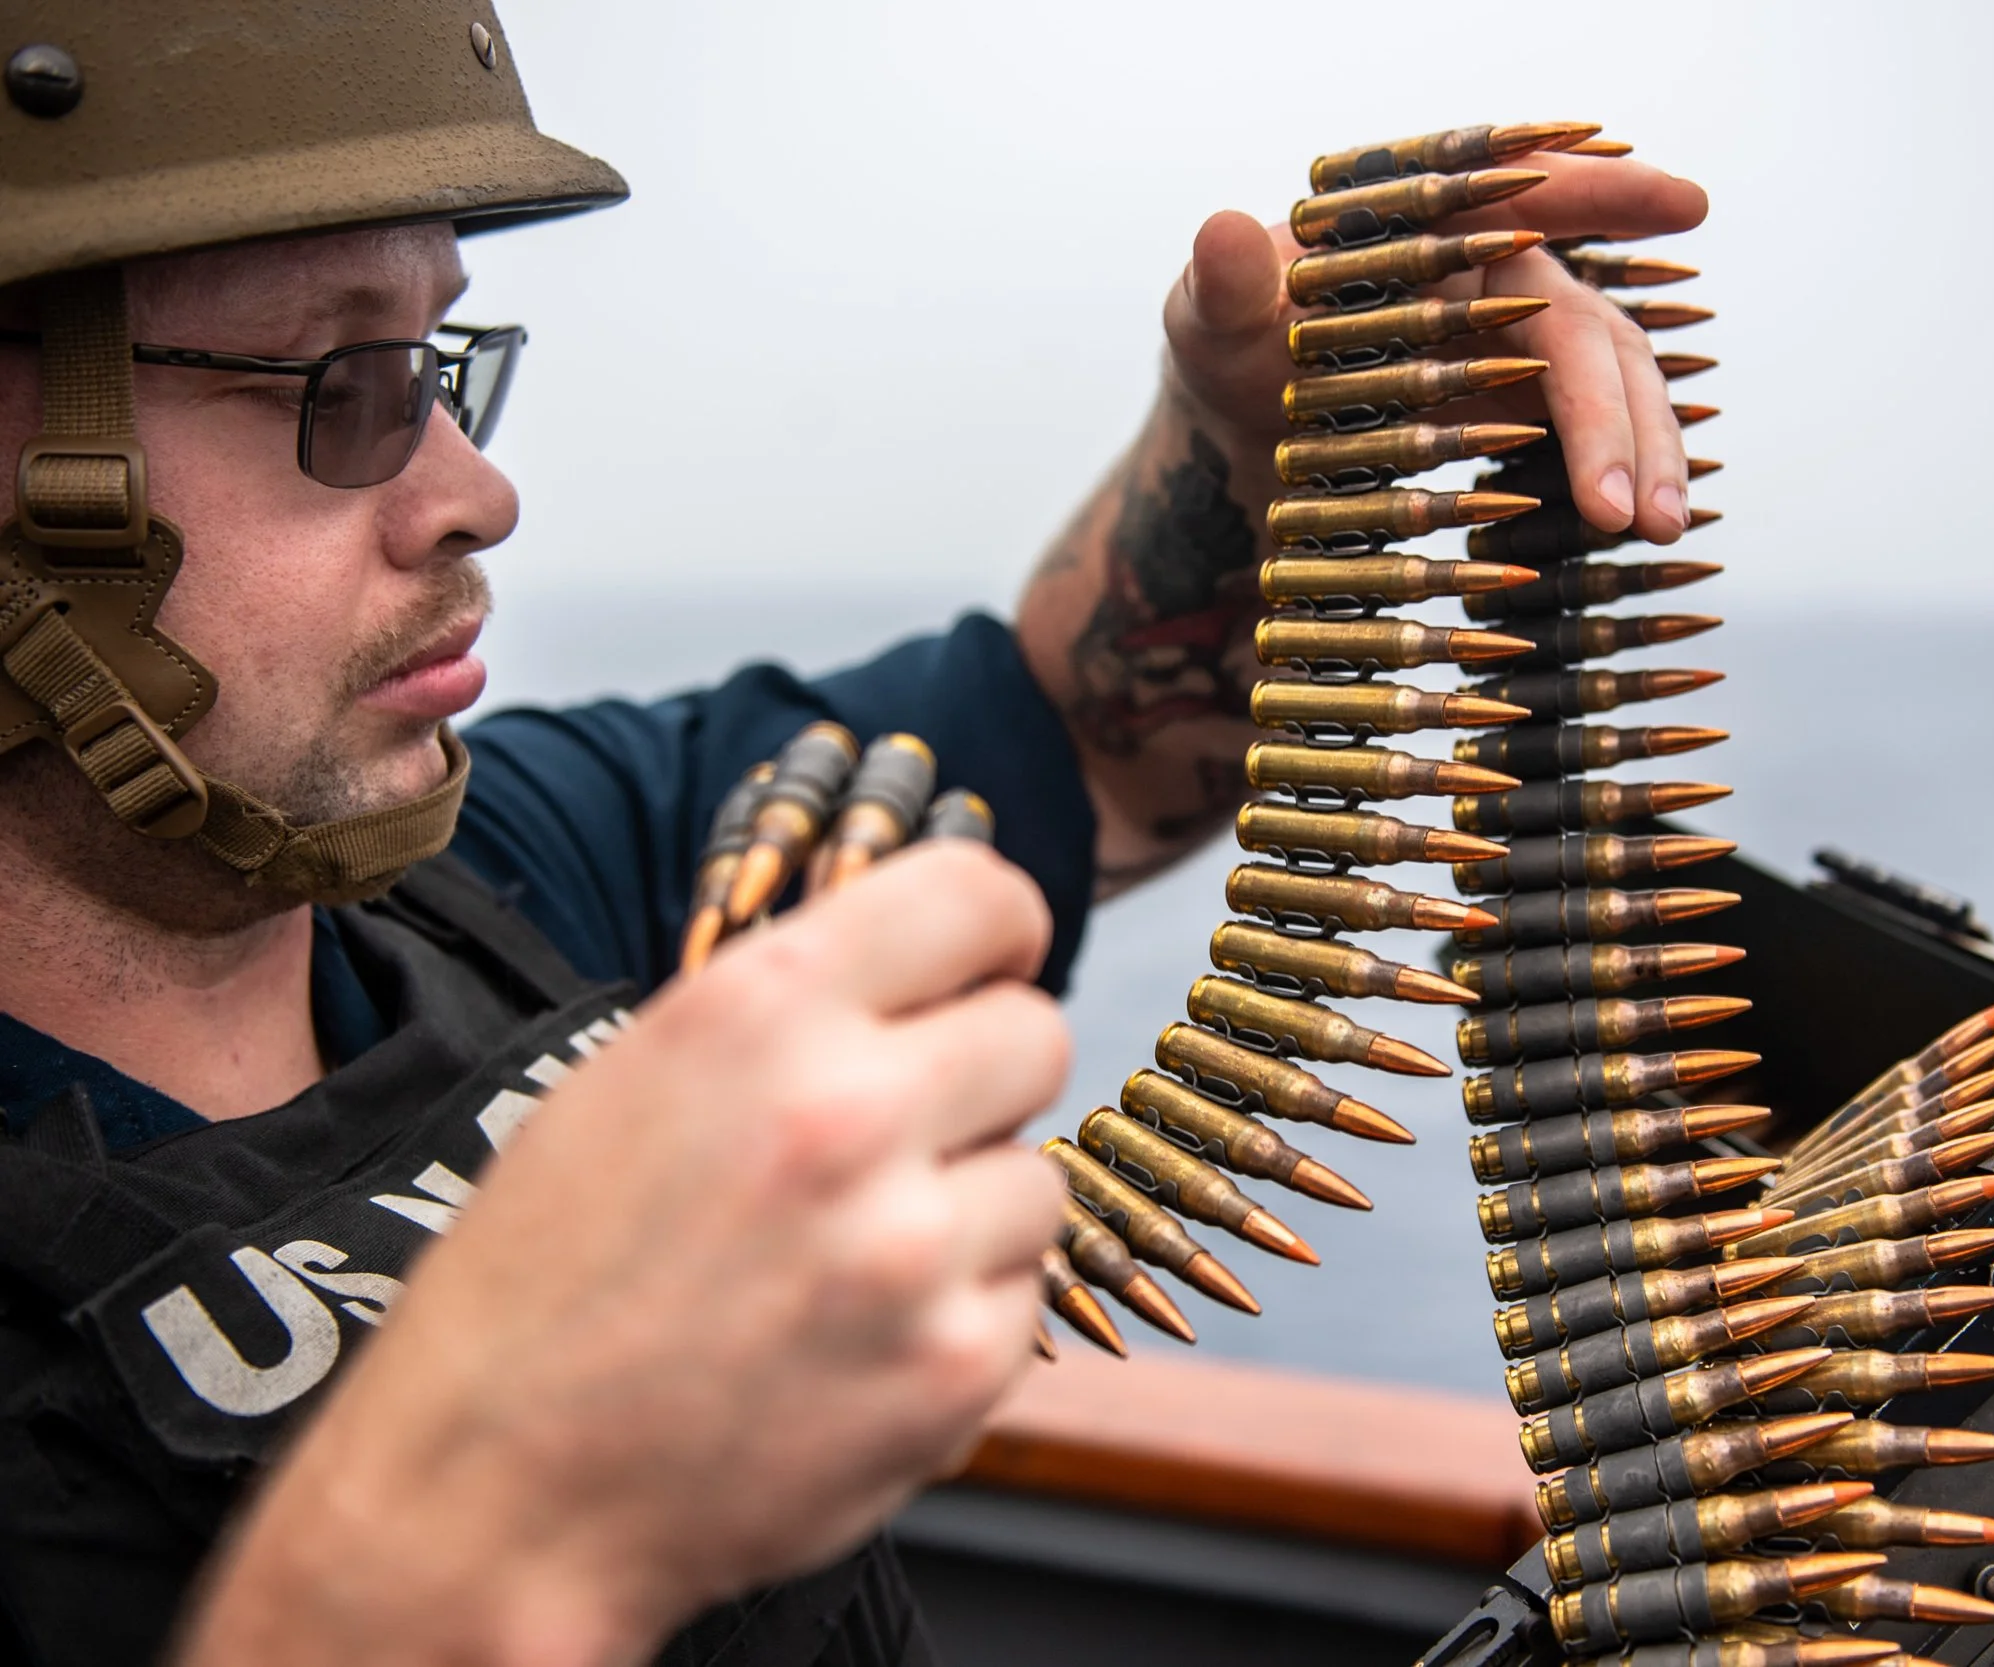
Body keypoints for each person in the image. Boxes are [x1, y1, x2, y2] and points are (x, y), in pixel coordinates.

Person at [0, 4, 1705, 1663]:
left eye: (442, 366)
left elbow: (1091, 740)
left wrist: (1266, 450)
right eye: (343, 383)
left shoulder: (514, 869)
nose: (474, 489)